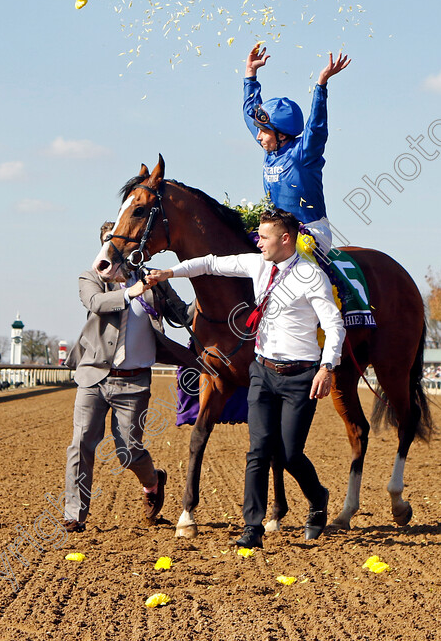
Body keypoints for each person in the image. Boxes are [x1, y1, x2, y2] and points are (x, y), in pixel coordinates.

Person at [148, 208, 345, 548]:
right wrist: (170, 272)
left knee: (289, 453)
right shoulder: (257, 264)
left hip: (300, 376)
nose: (258, 241)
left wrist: (327, 367)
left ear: (285, 239)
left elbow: (333, 323)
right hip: (263, 372)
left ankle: (318, 498)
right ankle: (251, 528)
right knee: (257, 451)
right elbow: (209, 262)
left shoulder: (312, 276)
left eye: (264, 236)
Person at [63, 222, 194, 534]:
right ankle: (74, 515)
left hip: (134, 382)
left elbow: (182, 315)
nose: (118, 247)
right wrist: (133, 292)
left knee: (127, 451)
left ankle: (152, 481)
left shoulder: (154, 279)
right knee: (81, 443)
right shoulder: (91, 277)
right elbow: (95, 303)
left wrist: (212, 292)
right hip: (94, 376)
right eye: (110, 242)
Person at [243, 43, 351, 252]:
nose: (258, 137)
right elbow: (250, 111)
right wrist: (250, 73)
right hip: (278, 234)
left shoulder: (303, 153)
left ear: (281, 135)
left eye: (263, 132)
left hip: (311, 232)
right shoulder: (271, 144)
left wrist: (321, 84)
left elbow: (317, 126)